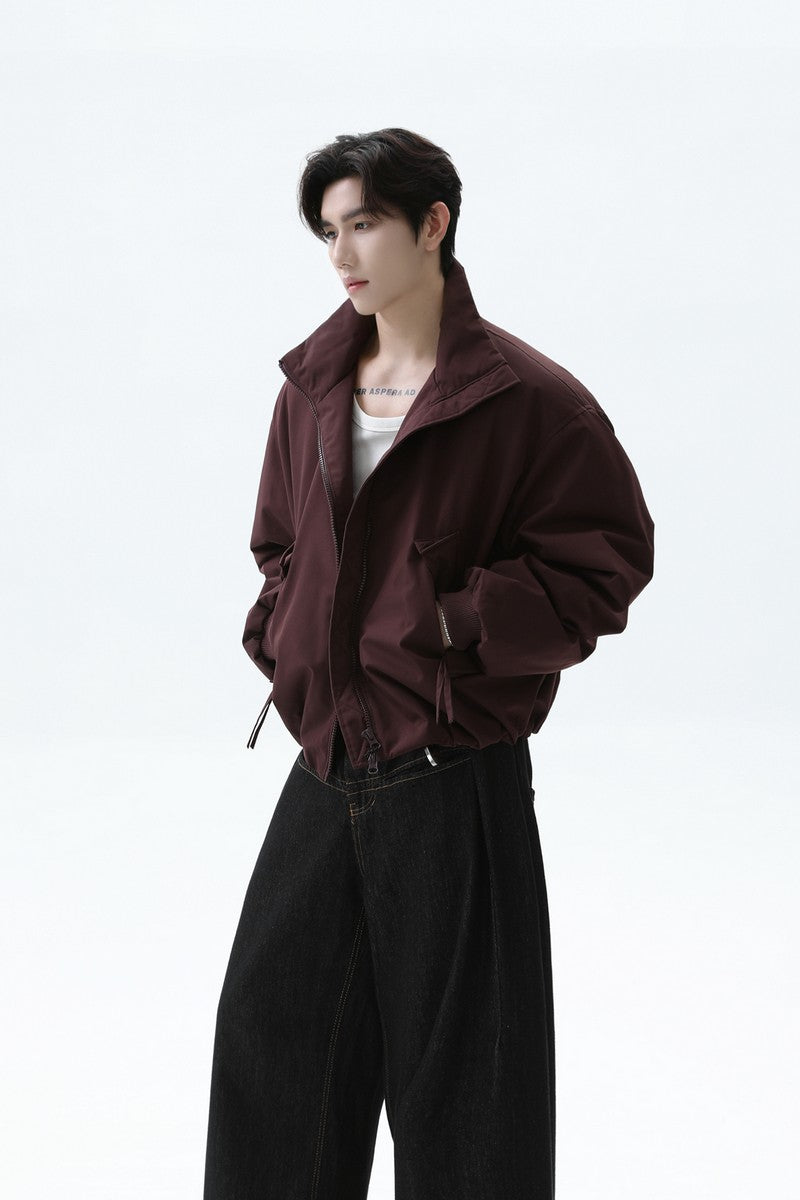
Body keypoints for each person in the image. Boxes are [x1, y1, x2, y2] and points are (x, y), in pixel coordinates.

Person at [203, 128, 654, 1200]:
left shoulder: (528, 401)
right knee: (272, 1067)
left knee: (468, 1106)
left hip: (453, 781)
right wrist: (284, 631)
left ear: (432, 224)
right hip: (324, 772)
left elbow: (605, 564)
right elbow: (278, 545)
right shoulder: (310, 389)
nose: (341, 255)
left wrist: (450, 625)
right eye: (328, 231)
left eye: (363, 224)